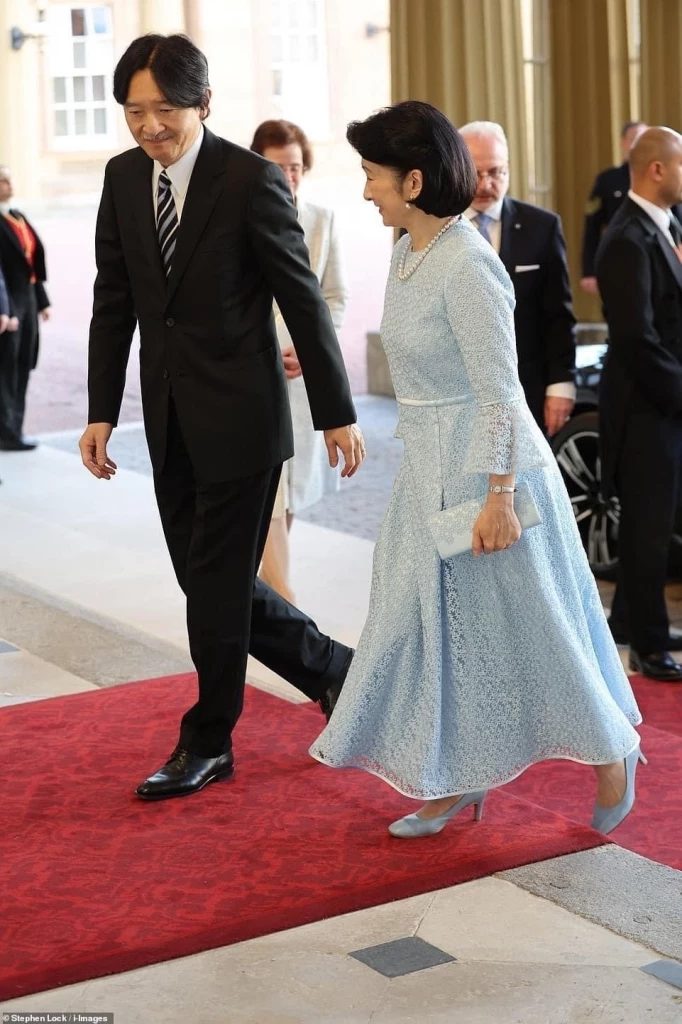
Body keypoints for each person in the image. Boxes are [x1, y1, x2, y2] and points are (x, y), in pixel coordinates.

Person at [310, 101, 643, 840]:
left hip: (488, 474)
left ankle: (615, 750)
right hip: (426, 461)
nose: (366, 190)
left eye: (373, 175)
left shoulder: (468, 263)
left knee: (537, 630)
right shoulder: (406, 250)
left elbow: (501, 389)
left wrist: (498, 497)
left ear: (415, 180)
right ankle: (455, 779)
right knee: (425, 628)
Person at [78, 34, 365, 801]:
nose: (148, 127)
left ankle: (208, 739)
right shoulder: (121, 177)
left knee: (213, 583)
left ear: (203, 104)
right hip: (168, 421)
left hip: (242, 420)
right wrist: (101, 409)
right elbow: (115, 301)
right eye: (135, 112)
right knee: (208, 580)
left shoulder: (249, 179)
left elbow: (301, 297)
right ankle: (335, 669)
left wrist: (336, 412)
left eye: (163, 110)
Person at [250, 119, 349, 604]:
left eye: (295, 167)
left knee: (291, 493)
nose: (288, 177)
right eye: (277, 167)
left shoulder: (321, 219)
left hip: (302, 378)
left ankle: (262, 600)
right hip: (253, 377)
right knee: (268, 491)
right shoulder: (239, 218)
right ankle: (285, 601)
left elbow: (336, 297)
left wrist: (312, 350)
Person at [596, 127, 682, 681]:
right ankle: (649, 648)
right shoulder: (626, 237)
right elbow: (636, 340)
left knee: (657, 522)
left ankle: (628, 617)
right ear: (657, 169)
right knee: (648, 529)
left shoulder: (667, 226)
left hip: (664, 402)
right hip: (645, 409)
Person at [458, 121, 576, 437]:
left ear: (508, 169)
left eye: (495, 172)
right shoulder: (432, 228)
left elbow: (557, 314)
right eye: (474, 173)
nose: (485, 185)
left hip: (526, 385)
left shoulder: (543, 227)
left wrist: (561, 383)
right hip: (457, 392)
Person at [0, 165, 51, 451]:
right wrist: (5, 309)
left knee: (23, 363)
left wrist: (42, 300)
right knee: (6, 366)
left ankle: (14, 428)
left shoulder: (17, 217)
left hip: (28, 299)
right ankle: (7, 432)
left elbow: (30, 264)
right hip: (8, 303)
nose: (9, 184)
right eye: (2, 180)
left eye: (9, 178)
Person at [580, 121, 647, 296]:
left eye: (643, 139)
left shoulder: (657, 178)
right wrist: (589, 271)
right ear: (623, 143)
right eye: (634, 138)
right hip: (617, 260)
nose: (639, 144)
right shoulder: (607, 180)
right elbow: (592, 228)